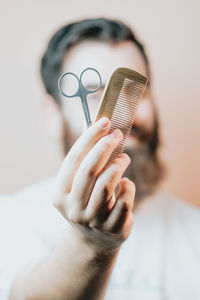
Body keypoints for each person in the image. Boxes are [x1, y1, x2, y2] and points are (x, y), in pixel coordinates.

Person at [0, 18, 199, 300]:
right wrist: (91, 244)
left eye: (135, 93)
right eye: (94, 92)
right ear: (52, 115)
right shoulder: (13, 220)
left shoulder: (194, 230)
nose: (125, 115)